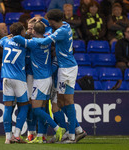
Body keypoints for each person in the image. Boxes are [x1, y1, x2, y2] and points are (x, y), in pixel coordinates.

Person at [33, 9, 87, 143]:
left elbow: (44, 41)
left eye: (48, 20)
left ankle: (72, 136)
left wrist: (30, 38)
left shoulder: (60, 32)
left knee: (68, 101)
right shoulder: (65, 25)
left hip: (67, 69)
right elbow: (51, 27)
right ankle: (77, 130)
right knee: (61, 102)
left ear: (52, 21)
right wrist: (42, 20)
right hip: (66, 68)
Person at [13, 21, 67, 143]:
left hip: (41, 80)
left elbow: (17, 38)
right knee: (41, 108)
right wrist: (42, 21)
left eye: (32, 30)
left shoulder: (33, 43)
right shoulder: (47, 39)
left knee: (36, 109)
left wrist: (22, 33)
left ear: (35, 32)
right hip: (46, 78)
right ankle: (41, 136)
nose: (30, 31)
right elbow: (48, 29)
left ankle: (58, 129)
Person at [0, 22, 29, 144]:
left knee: (7, 107)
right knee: (24, 106)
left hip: (6, 78)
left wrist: (9, 36)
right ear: (21, 32)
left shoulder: (5, 41)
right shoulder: (24, 43)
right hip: (19, 78)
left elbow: (0, 41)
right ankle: (16, 135)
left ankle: (7, 137)